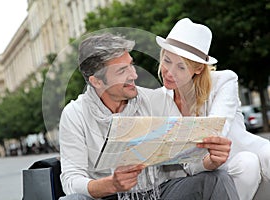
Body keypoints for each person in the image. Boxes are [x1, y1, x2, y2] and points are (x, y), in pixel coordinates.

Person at [58, 33, 239, 200]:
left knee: (217, 178)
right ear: (96, 81)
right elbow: (71, 181)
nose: (134, 75)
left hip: (159, 192)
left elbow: (187, 163)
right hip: (109, 196)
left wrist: (210, 162)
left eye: (131, 65)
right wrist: (111, 184)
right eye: (122, 71)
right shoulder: (75, 114)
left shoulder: (156, 101)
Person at [156, 18, 269, 199]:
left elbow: (216, 131)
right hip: (200, 171)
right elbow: (181, 158)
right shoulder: (158, 99)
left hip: (237, 158)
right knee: (247, 164)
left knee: (262, 156)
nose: (169, 72)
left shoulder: (224, 81)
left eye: (181, 67)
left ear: (199, 68)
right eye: (166, 60)